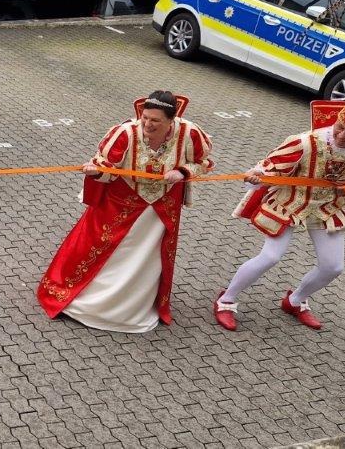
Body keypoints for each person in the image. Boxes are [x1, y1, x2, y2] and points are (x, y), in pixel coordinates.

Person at [37, 91, 214, 332]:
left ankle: (135, 305)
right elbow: (108, 168)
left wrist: (182, 172)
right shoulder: (125, 133)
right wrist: (96, 172)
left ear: (171, 121)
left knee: (148, 257)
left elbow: (203, 162)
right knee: (103, 247)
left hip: (161, 210)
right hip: (122, 204)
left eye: (155, 121)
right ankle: (90, 302)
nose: (148, 124)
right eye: (145, 118)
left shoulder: (190, 134)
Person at [214, 84, 345, 331]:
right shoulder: (306, 142)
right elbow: (271, 165)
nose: (341, 134)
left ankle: (295, 300)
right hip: (290, 204)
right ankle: (226, 299)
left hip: (329, 209)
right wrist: (258, 173)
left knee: (333, 266)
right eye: (340, 127)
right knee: (270, 257)